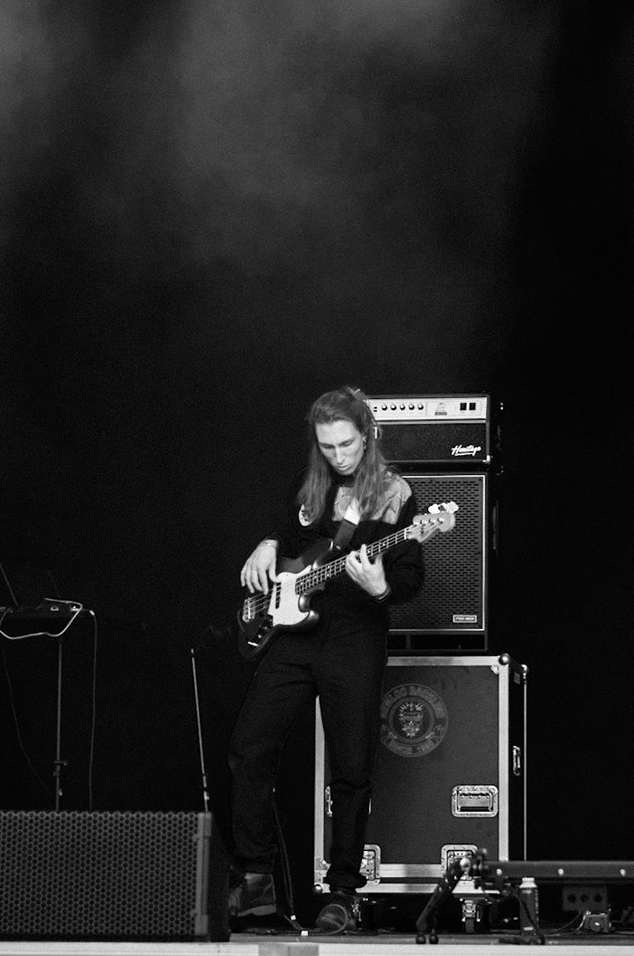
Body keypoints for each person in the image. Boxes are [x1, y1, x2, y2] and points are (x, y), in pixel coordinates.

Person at [226, 388, 426, 933]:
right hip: (293, 637)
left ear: (368, 435)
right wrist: (268, 542)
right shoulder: (308, 479)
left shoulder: (394, 495)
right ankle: (255, 881)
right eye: (328, 445)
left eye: (347, 444)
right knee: (248, 749)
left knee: (351, 767)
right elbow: (289, 534)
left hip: (354, 638)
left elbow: (411, 578)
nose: (339, 455)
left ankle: (343, 893)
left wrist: (382, 586)